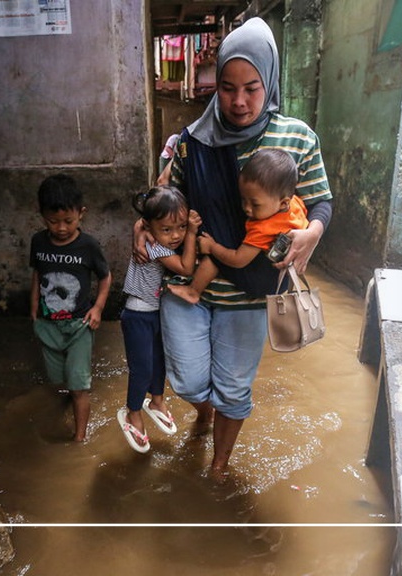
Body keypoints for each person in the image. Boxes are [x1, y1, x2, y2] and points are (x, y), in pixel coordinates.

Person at [136, 17, 333, 474]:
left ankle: (219, 465)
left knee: (234, 389)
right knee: (186, 380)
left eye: (252, 87)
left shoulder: (298, 138)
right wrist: (141, 224)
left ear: (270, 81)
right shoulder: (192, 143)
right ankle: (204, 411)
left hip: (250, 293)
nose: (239, 101)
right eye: (227, 87)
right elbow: (169, 203)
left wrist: (313, 232)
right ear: (215, 84)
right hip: (190, 279)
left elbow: (321, 200)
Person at [117, 186, 202, 453]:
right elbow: (187, 268)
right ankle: (132, 412)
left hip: (155, 313)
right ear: (149, 228)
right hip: (138, 315)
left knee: (159, 362)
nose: (175, 235)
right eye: (167, 229)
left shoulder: (154, 237)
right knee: (141, 368)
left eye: (179, 227)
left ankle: (156, 401)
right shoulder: (154, 246)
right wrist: (191, 232)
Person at [30, 174, 112, 443]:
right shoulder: (38, 242)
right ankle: (73, 397)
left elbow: (105, 276)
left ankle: (79, 440)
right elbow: (37, 275)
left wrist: (98, 308)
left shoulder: (88, 246)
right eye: (53, 221)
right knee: (58, 381)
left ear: (81, 214)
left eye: (68, 221)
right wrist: (33, 310)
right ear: (42, 215)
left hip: (79, 326)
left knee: (78, 387)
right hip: (48, 323)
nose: (61, 228)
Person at [168, 148, 306, 304]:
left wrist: (212, 247)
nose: (247, 208)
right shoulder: (295, 205)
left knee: (214, 260)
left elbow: (238, 259)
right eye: (243, 200)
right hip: (281, 275)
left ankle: (193, 291)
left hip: (259, 277)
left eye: (255, 204)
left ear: (283, 202)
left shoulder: (263, 229)